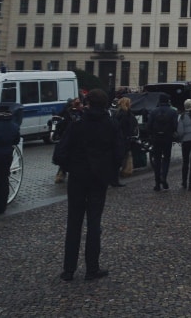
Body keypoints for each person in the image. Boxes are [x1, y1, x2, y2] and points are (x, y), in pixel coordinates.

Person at [53, 88, 123, 281]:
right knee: (94, 224)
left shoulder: (77, 125)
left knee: (73, 223)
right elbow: (119, 154)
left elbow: (59, 154)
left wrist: (71, 167)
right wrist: (109, 171)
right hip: (99, 178)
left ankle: (69, 270)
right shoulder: (111, 124)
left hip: (78, 177)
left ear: (88, 104)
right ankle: (92, 268)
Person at [0, 101, 21, 216]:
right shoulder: (14, 126)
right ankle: (2, 206)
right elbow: (16, 141)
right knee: (4, 180)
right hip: (7, 155)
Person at [147, 93, 177, 191]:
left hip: (156, 138)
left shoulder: (153, 111)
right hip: (167, 137)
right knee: (166, 159)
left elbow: (149, 125)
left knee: (157, 160)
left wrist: (151, 134)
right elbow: (175, 125)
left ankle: (157, 183)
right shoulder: (173, 112)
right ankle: (164, 176)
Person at [113, 97, 137, 185]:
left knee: (120, 157)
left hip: (121, 138)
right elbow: (124, 127)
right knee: (120, 158)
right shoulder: (125, 114)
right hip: (123, 138)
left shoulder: (118, 113)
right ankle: (115, 179)